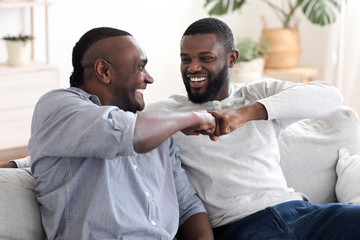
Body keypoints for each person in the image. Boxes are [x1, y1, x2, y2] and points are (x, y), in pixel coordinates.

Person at [146, 17, 360, 239]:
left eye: (205, 58)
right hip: (240, 227)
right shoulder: (166, 111)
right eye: (185, 59)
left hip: (299, 212)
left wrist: (244, 114)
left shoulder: (258, 94)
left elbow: (330, 95)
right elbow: (117, 124)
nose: (193, 68)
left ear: (232, 59)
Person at [27, 27, 215, 240]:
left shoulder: (157, 132)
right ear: (104, 71)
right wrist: (196, 117)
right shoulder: (57, 105)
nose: (149, 78)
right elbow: (125, 133)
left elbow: (188, 205)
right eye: (140, 67)